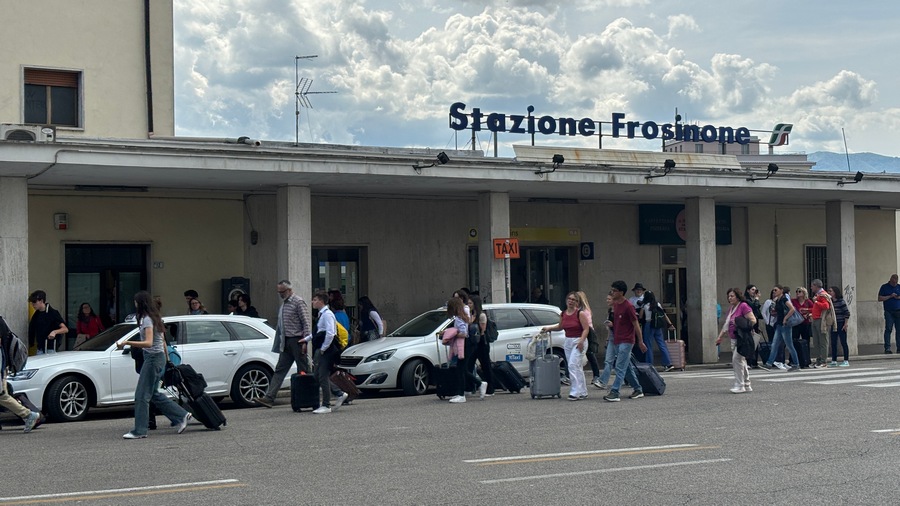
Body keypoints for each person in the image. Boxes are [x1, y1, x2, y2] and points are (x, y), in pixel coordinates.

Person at [116, 291, 191, 439]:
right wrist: (166, 359)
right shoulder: (155, 317)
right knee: (153, 394)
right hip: (157, 358)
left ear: (140, 303)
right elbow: (162, 341)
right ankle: (181, 415)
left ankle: (140, 430)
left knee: (141, 395)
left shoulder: (147, 320)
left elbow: (148, 342)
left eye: (136, 302)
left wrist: (127, 342)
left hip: (152, 359)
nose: (134, 304)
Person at [255, 280, 313, 408]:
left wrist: (305, 341)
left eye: (282, 291)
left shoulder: (298, 302)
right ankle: (269, 398)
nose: (280, 294)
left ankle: (317, 395)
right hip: (286, 341)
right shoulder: (284, 305)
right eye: (279, 292)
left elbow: (306, 322)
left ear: (289, 290)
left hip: (297, 340)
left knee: (304, 371)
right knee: (280, 370)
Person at [541, 291, 590, 401]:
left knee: (572, 365)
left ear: (577, 302)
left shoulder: (580, 313)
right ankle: (583, 391)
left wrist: (581, 341)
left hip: (579, 340)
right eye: (569, 299)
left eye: (574, 300)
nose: (571, 301)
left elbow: (586, 329)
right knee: (577, 366)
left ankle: (575, 391)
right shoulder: (563, 314)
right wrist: (549, 328)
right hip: (568, 341)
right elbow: (560, 326)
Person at [603, 281, 646, 402]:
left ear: (621, 292)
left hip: (627, 341)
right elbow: (617, 323)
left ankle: (615, 391)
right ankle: (638, 389)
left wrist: (640, 341)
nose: (612, 292)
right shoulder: (616, 305)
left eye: (615, 290)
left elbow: (636, 324)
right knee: (626, 367)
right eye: (612, 290)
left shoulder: (628, 306)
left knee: (620, 366)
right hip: (617, 339)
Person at [308, 291, 348, 414]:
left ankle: (326, 404)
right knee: (317, 375)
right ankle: (339, 393)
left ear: (321, 301)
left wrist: (323, 349)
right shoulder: (322, 314)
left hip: (327, 350)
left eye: (315, 300)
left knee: (323, 376)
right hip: (322, 349)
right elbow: (318, 332)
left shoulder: (327, 315)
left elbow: (330, 333)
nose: (313, 302)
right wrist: (306, 339)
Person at [1, 321, 42, 432]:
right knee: (3, 396)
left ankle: (28, 415)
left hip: (1, 367)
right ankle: (28, 415)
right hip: (2, 367)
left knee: (2, 396)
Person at [715, 288, 757, 393]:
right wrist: (720, 337)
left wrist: (739, 322)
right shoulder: (731, 308)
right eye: (729, 296)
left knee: (736, 360)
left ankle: (740, 385)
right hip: (734, 338)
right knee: (741, 361)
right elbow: (726, 325)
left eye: (732, 296)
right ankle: (747, 384)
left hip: (742, 338)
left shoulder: (743, 306)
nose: (730, 298)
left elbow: (753, 320)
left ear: (738, 297)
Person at [439, 297, 476, 403]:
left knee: (460, 370)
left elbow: (464, 333)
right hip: (466, 345)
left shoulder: (459, 318)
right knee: (461, 369)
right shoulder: (463, 316)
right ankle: (466, 390)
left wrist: (451, 334)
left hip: (462, 345)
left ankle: (461, 394)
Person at [763, 285, 800, 372]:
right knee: (775, 344)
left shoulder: (784, 299)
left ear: (781, 291)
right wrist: (774, 312)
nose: (774, 291)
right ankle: (769, 363)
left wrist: (785, 318)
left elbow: (792, 309)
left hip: (785, 325)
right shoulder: (777, 300)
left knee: (789, 345)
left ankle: (796, 364)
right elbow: (779, 311)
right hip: (779, 324)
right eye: (773, 290)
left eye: (776, 290)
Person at [638, 290, 676, 372]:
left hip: (649, 325)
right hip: (658, 326)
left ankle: (649, 365)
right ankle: (668, 363)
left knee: (648, 345)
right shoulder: (657, 304)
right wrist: (670, 324)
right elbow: (664, 315)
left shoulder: (645, 305)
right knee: (661, 344)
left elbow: (640, 316)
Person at [467, 294, 495, 396]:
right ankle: (469, 387)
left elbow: (482, 330)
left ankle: (490, 389)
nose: (468, 305)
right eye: (468, 303)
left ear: (475, 304)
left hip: (481, 343)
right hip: (472, 343)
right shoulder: (469, 314)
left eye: (470, 303)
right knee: (469, 365)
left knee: (485, 365)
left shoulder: (481, 315)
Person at [574, 291, 603, 388]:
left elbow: (586, 325)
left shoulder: (584, 311)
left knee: (590, 354)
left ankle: (596, 375)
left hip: (588, 332)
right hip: (581, 332)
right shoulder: (577, 309)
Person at [27, 290, 68, 354]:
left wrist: (54, 332)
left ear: (41, 301)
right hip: (40, 347)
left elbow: (65, 329)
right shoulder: (36, 314)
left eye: (35, 302)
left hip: (50, 348)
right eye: (32, 302)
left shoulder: (53, 313)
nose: (33, 304)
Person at [595, 293, 617, 390]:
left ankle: (635, 383)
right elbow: (609, 329)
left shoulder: (619, 311)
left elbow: (624, 326)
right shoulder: (609, 311)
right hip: (612, 338)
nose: (607, 301)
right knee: (608, 361)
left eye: (609, 299)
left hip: (620, 339)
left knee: (625, 364)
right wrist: (607, 339)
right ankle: (603, 381)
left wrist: (613, 325)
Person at [808, 279, 831, 368]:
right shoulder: (818, 295)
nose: (811, 288)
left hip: (821, 320)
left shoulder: (822, 295)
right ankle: (818, 360)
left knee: (823, 341)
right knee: (816, 341)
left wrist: (816, 302)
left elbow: (826, 306)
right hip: (815, 319)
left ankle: (823, 361)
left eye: (812, 286)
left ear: (816, 286)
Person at [828, 286, 851, 367]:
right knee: (833, 342)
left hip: (841, 323)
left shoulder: (841, 302)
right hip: (833, 323)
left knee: (843, 342)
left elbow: (847, 313)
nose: (829, 292)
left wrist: (845, 324)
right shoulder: (830, 302)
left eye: (831, 291)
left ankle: (846, 360)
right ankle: (834, 360)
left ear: (835, 292)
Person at [878, 274, 900, 353]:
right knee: (888, 329)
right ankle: (887, 348)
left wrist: (898, 297)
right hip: (888, 311)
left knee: (899, 330)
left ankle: (899, 347)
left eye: (896, 282)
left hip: (898, 311)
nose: (895, 284)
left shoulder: (899, 287)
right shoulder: (884, 287)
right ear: (890, 280)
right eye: (893, 282)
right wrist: (890, 296)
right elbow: (880, 298)